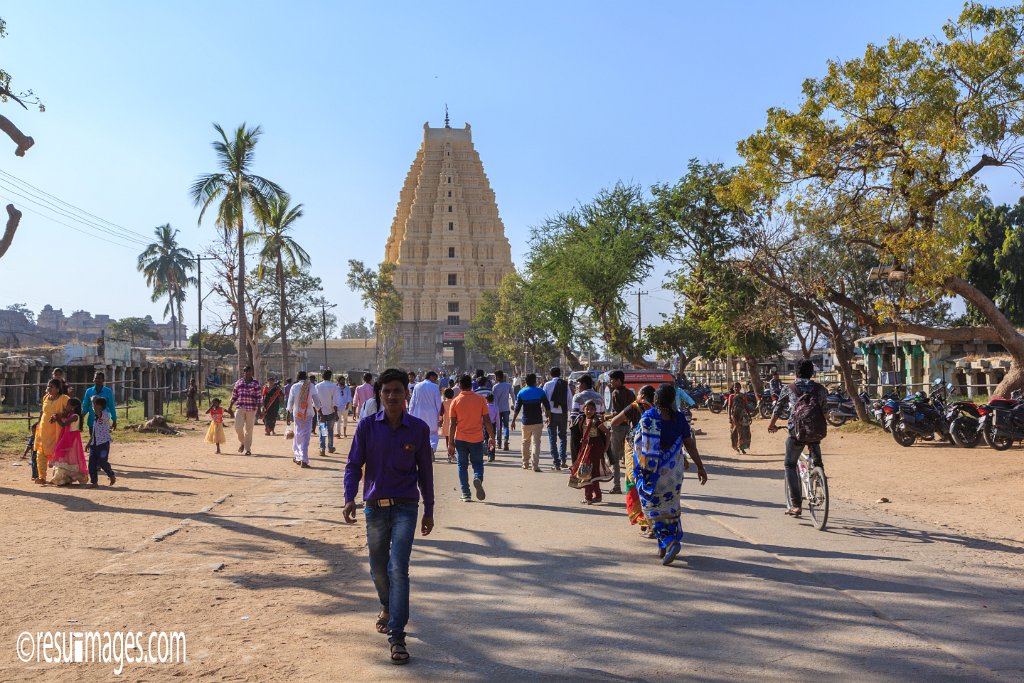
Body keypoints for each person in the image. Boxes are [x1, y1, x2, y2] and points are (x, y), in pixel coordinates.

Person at [343, 368, 435, 666]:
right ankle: (386, 604)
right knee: (378, 568)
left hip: (407, 506)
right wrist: (348, 498)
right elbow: (354, 465)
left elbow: (426, 473)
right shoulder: (368, 427)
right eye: (387, 391)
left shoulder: (418, 429)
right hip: (374, 508)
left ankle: (397, 634)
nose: (392, 396)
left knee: (398, 568)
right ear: (379, 395)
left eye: (397, 390)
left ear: (406, 393)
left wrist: (429, 509)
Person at [634, 384, 708, 565]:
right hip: (673, 474)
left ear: (656, 399)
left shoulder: (648, 417)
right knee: (670, 507)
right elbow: (690, 444)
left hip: (653, 473)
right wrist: (700, 467)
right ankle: (662, 546)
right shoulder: (680, 419)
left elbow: (638, 444)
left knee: (651, 509)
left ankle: (670, 541)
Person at [768, 359, 828, 517]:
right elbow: (825, 410)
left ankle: (796, 505)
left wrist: (771, 425)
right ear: (812, 373)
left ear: (797, 373)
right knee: (817, 459)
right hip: (816, 431)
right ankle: (819, 476)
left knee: (789, 464)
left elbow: (778, 409)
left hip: (796, 432)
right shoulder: (820, 388)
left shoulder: (790, 388)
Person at [609, 384, 655, 536]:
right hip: (653, 451)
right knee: (650, 483)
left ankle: (644, 520)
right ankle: (651, 520)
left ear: (641, 395)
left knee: (633, 481)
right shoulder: (658, 409)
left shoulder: (635, 406)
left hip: (634, 447)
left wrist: (623, 421)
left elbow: (615, 421)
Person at [447, 374, 495, 502]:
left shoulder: (455, 401)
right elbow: (487, 420)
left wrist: (450, 443)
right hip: (477, 439)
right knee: (478, 463)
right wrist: (491, 436)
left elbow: (452, 424)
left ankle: (465, 493)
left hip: (460, 439)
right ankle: (477, 477)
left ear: (460, 385)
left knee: (462, 466)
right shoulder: (480, 400)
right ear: (471, 385)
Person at [568, 400, 613, 504]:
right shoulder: (582, 419)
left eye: (592, 409)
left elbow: (607, 432)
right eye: (587, 408)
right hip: (586, 448)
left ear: (595, 410)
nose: (589, 411)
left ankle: (588, 497)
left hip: (594, 449)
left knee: (586, 472)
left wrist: (606, 448)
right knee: (593, 473)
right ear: (583, 409)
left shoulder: (595, 421)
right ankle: (597, 496)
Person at [511, 373, 551, 471]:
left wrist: (513, 421)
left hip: (526, 422)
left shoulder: (521, 392)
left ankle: (525, 464)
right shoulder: (540, 392)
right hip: (537, 421)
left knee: (525, 442)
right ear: (534, 381)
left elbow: (517, 408)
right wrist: (549, 417)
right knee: (536, 443)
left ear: (526, 382)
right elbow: (547, 406)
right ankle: (535, 466)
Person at [568, 374, 606, 474]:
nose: (577, 386)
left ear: (584, 384)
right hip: (596, 430)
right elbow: (602, 415)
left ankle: (577, 472)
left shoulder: (578, 397)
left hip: (582, 430)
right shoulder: (599, 397)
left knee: (577, 451)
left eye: (578, 384)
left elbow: (574, 416)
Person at [34, 379, 69, 485]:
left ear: (58, 389)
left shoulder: (64, 398)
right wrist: (37, 423)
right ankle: (42, 477)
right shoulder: (45, 397)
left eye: (51, 387)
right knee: (41, 454)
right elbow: (43, 412)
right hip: (43, 430)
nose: (49, 388)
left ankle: (58, 478)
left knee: (58, 454)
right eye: (48, 386)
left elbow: (70, 412)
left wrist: (58, 416)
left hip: (57, 431)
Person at [48, 397, 89, 486]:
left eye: (68, 405)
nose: (66, 406)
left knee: (67, 455)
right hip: (67, 437)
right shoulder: (70, 414)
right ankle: (64, 478)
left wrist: (57, 418)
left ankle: (63, 477)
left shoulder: (75, 416)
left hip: (72, 438)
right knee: (67, 457)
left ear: (73, 407)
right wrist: (55, 416)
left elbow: (63, 424)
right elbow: (61, 417)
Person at [606, 370, 635, 495]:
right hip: (629, 428)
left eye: (612, 380)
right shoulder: (631, 393)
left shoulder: (615, 393)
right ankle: (632, 486)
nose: (611, 382)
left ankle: (616, 485)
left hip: (618, 427)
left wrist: (607, 417)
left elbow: (617, 413)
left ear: (618, 380)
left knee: (615, 458)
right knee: (629, 457)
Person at [287, 371, 321, 468]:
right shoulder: (310, 386)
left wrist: (288, 413)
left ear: (297, 378)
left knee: (298, 435)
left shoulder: (294, 387)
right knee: (306, 436)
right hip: (308, 413)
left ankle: (298, 457)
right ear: (306, 378)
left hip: (297, 414)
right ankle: (304, 460)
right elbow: (316, 400)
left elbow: (290, 401)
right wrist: (319, 410)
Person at [408, 370, 444, 454]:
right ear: (431, 377)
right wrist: (438, 417)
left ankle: (419, 451)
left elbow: (412, 403)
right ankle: (431, 449)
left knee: (419, 434)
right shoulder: (434, 387)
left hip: (418, 415)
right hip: (431, 416)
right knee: (432, 435)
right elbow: (438, 404)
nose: (435, 380)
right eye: (435, 379)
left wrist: (410, 414)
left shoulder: (417, 386)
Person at [229, 365, 262, 455]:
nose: (247, 373)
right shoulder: (239, 382)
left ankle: (248, 449)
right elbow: (234, 395)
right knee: (238, 427)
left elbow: (259, 397)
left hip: (251, 408)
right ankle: (242, 442)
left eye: (249, 371)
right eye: (246, 371)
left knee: (249, 429)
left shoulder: (256, 383)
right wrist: (230, 406)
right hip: (240, 407)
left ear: (252, 372)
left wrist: (259, 409)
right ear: (244, 372)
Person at [543, 367, 571, 469]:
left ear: (551, 375)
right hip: (563, 414)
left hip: (551, 414)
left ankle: (556, 462)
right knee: (563, 437)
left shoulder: (547, 385)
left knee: (552, 438)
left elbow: (544, 400)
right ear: (560, 374)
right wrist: (571, 414)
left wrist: (545, 413)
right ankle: (563, 460)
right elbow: (569, 399)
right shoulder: (565, 384)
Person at [87, 396, 116, 486]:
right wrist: (89, 442)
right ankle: (94, 482)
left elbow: (96, 411)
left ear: (100, 406)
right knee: (91, 464)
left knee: (102, 462)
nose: (93, 407)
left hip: (103, 443)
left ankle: (111, 475)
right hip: (94, 444)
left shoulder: (106, 414)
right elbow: (95, 431)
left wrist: (93, 401)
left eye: (95, 405)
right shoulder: (96, 418)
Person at [82, 371, 117, 437]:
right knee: (93, 440)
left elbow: (111, 406)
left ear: (103, 380)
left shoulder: (108, 391)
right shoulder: (89, 391)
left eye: (99, 378)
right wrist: (82, 415)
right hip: (92, 421)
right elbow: (85, 405)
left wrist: (114, 419)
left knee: (103, 441)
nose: (97, 380)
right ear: (93, 379)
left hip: (104, 421)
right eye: (96, 378)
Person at [316, 370, 343, 455]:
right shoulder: (334, 386)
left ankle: (322, 448)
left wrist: (320, 413)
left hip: (321, 412)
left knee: (322, 431)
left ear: (322, 376)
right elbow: (335, 401)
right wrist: (336, 413)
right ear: (330, 376)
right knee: (330, 430)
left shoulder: (317, 386)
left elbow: (316, 401)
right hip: (331, 412)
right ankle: (330, 447)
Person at [728, 381, 753, 454]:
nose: (736, 388)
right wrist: (729, 417)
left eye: (738, 387)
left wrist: (749, 416)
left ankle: (742, 448)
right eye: (735, 387)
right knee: (735, 432)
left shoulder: (743, 396)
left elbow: (746, 406)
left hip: (743, 416)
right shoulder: (731, 396)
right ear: (733, 388)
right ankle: (736, 447)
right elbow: (729, 407)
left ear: (740, 388)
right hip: (735, 417)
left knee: (744, 432)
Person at [492, 370, 513, 451]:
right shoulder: (508, 385)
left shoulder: (495, 387)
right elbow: (513, 395)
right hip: (506, 409)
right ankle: (506, 440)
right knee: (506, 426)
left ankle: (499, 443)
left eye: (495, 377)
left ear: (497, 377)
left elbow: (494, 400)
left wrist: (494, 409)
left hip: (498, 409)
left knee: (499, 426)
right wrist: (513, 404)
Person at [440, 387, 455, 462]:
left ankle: (449, 455)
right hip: (454, 423)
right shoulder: (455, 402)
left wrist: (439, 421)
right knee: (453, 440)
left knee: (447, 440)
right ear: (453, 395)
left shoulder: (443, 403)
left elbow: (441, 413)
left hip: (446, 423)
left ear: (445, 395)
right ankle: (453, 454)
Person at [485, 393, 500, 462]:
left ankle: (489, 455)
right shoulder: (496, 407)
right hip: (493, 425)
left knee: (487, 439)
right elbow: (497, 419)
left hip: (486, 425)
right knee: (493, 439)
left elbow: (482, 417)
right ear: (493, 400)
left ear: (486, 400)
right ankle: (492, 454)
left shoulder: (485, 407)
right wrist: (498, 428)